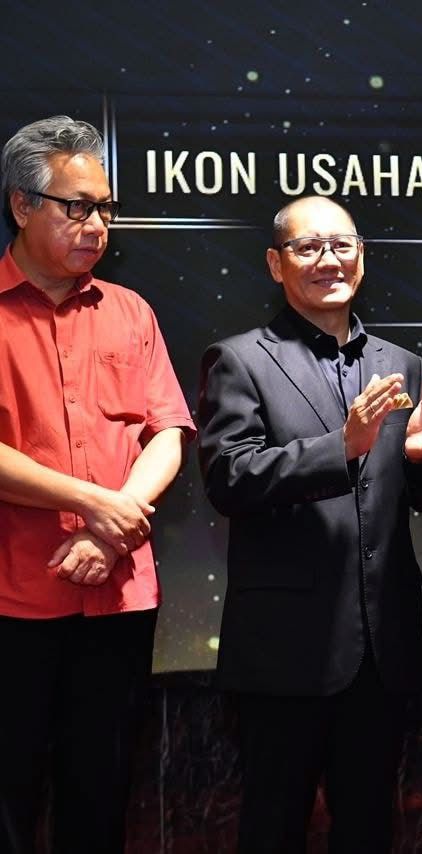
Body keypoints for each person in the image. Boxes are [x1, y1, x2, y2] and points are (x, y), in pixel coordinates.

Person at [196, 195, 422, 853]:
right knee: (272, 828)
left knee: (370, 828)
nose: (329, 260)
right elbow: (229, 478)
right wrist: (340, 448)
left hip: (382, 652)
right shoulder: (240, 359)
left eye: (342, 245)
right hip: (285, 651)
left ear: (362, 257)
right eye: (308, 247)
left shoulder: (401, 364)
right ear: (276, 263)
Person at [0, 116, 193, 853]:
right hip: (13, 596)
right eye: (76, 207)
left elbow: (168, 431)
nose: (97, 225)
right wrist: (92, 503)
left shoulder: (130, 309)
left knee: (103, 792)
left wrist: (112, 528)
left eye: (105, 208)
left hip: (118, 592)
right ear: (22, 205)